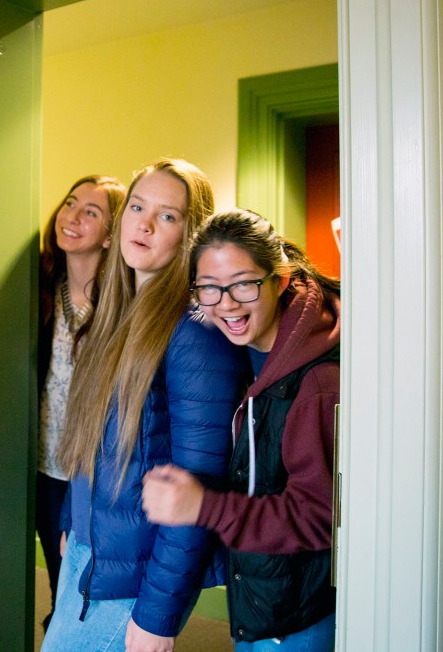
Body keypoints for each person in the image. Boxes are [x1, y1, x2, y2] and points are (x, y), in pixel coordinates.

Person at [41, 160, 249, 652]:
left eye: (168, 216)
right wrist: (74, 519)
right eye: (137, 206)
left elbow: (197, 485)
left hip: (136, 579)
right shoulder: (116, 313)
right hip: (91, 554)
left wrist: (159, 615)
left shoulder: (195, 331)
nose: (145, 223)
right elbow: (95, 440)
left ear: (189, 235)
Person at [141, 208, 341, 651]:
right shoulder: (245, 348)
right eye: (209, 288)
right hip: (257, 595)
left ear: (281, 279)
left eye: (243, 283)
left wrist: (204, 508)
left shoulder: (317, 382)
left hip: (297, 615)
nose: (226, 303)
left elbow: (319, 516)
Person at [36, 174, 126, 628]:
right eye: (70, 203)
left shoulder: (122, 303)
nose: (71, 216)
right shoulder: (36, 287)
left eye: (90, 212)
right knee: (59, 581)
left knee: (90, 587)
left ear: (111, 236)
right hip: (43, 467)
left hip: (95, 472)